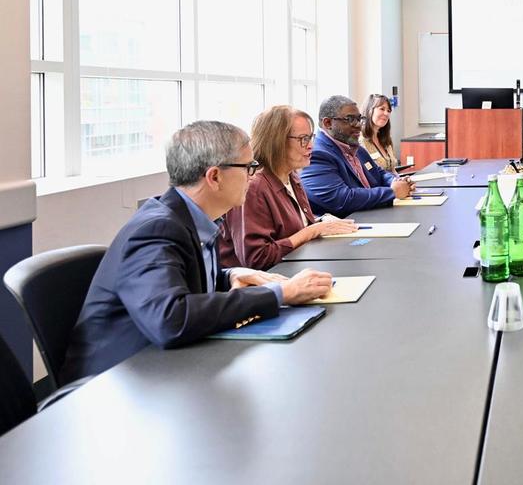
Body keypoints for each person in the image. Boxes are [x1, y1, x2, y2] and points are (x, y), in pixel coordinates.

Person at [62, 121, 334, 382]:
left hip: (163, 366)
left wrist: (228, 275)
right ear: (214, 177)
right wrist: (279, 293)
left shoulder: (194, 218)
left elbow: (182, 280)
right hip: (117, 380)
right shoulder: (157, 229)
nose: (252, 177)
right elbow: (170, 318)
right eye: (248, 168)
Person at [219, 106, 358, 271]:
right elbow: (257, 259)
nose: (310, 146)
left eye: (310, 138)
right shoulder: (253, 186)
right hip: (268, 280)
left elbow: (297, 227)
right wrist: (312, 231)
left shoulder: (291, 175)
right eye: (303, 139)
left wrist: (322, 222)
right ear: (276, 142)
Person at [300, 95, 415, 216]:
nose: (358, 125)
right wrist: (392, 192)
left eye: (359, 119)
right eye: (350, 119)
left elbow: (379, 173)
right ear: (328, 123)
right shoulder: (316, 154)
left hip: (372, 214)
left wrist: (396, 181)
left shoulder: (355, 148)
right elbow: (341, 199)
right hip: (348, 223)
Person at [358, 93, 400, 172]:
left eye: (388, 111)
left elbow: (393, 170)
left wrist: (401, 178)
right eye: (382, 109)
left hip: (392, 179)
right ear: (369, 110)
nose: (386, 113)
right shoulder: (360, 141)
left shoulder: (386, 140)